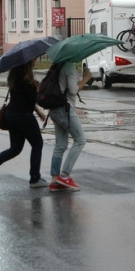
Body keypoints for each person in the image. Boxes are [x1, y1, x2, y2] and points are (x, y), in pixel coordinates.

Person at [0, 58, 48, 188]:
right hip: (23, 116)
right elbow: (33, 98)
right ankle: (34, 178)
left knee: (15, 149)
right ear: (27, 62)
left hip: (12, 115)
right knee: (38, 143)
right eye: (34, 59)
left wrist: (37, 111)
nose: (35, 60)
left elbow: (23, 99)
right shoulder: (26, 79)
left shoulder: (16, 76)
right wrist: (38, 89)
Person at [48, 63, 92, 192]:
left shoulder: (57, 66)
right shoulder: (69, 67)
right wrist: (87, 78)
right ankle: (65, 175)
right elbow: (73, 90)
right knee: (80, 140)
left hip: (55, 109)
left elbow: (67, 88)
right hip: (65, 110)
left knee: (60, 145)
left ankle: (55, 181)